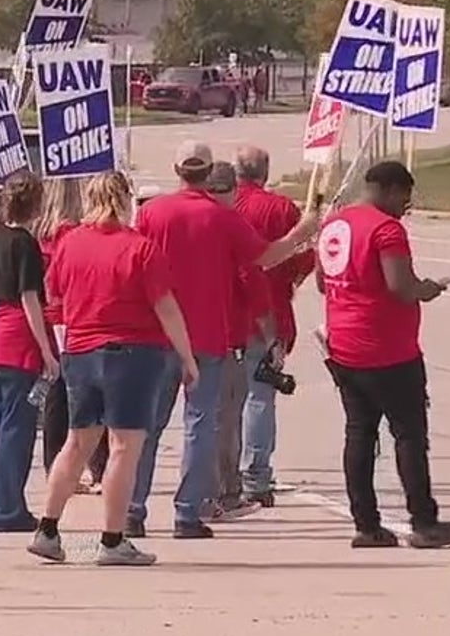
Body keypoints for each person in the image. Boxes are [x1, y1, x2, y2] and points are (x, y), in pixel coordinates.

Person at [129, 140, 319, 540]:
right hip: (208, 335)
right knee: (201, 425)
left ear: (177, 168)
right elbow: (267, 258)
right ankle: (188, 511)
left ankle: (133, 508)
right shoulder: (222, 217)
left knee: (148, 425)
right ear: (209, 170)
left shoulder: (151, 213)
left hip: (158, 333)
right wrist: (304, 231)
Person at [27, 172, 194, 567]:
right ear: (126, 200)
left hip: (80, 350)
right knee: (124, 447)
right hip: (131, 353)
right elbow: (165, 306)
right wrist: (186, 357)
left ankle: (48, 529)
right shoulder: (140, 248)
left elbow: (55, 292)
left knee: (78, 442)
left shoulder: (70, 243)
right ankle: (113, 538)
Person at [319, 161, 450, 550]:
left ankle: (366, 524)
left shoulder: (335, 223)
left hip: (344, 346)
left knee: (359, 434)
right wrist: (430, 288)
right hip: (387, 350)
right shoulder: (386, 230)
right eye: (404, 196)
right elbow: (400, 287)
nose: (406, 205)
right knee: (409, 435)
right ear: (388, 189)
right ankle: (423, 521)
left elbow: (322, 282)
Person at [231, 145, 313, 508]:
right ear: (265, 172)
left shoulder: (222, 206)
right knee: (259, 398)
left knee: (221, 402)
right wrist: (290, 280)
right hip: (268, 314)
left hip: (222, 317)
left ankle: (224, 474)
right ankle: (256, 476)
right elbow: (305, 256)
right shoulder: (280, 209)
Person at [0, 171, 56, 534]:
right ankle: (7, 508)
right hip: (18, 336)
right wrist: (47, 351)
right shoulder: (25, 243)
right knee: (16, 429)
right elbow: (29, 298)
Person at [202, 162, 273, 521]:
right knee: (226, 420)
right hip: (227, 337)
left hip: (185, 335)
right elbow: (256, 272)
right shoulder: (229, 225)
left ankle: (191, 498)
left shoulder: (174, 217)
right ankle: (224, 493)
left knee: (198, 421)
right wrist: (270, 331)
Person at [31, 177, 106, 492]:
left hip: (51, 318)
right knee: (86, 395)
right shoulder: (73, 235)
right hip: (72, 318)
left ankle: (56, 464)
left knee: (58, 395)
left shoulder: (40, 234)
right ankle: (94, 466)